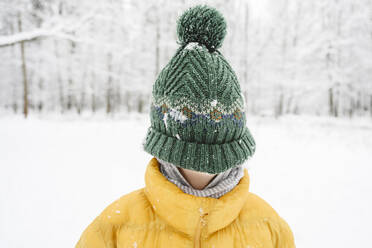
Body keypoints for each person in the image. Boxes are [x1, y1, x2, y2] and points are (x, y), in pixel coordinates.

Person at [75, 5, 295, 248]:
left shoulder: (269, 228)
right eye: (192, 157)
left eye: (217, 156)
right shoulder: (115, 229)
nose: (205, 168)